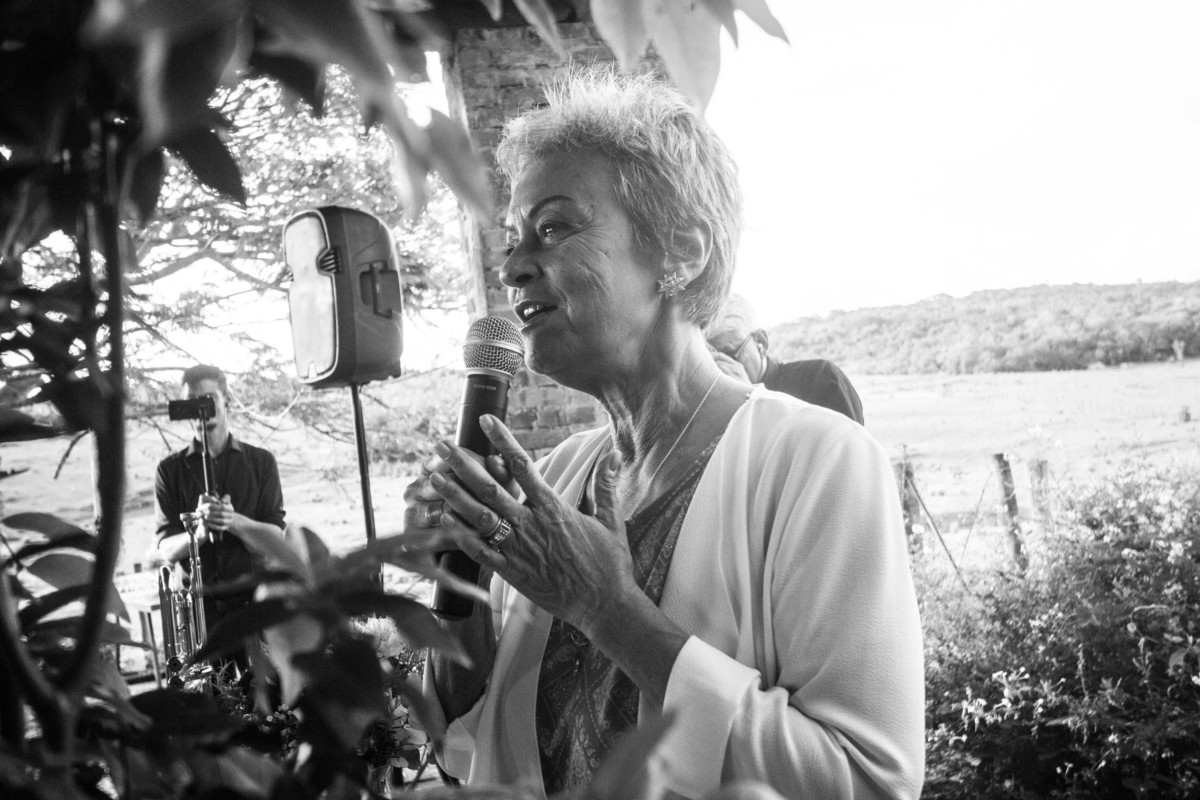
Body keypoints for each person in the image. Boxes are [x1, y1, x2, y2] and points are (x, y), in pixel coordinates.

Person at [403, 68, 924, 800]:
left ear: (681, 252)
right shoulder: (554, 477)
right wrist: (453, 574)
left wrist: (607, 610)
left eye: (553, 228)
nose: (513, 267)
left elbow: (863, 780)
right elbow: (460, 736)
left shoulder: (818, 462)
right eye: (514, 239)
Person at [155, 364, 286, 663]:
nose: (202, 409)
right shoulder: (169, 471)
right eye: (193, 401)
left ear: (226, 401)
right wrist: (198, 532)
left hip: (254, 610)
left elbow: (275, 539)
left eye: (209, 398)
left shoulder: (261, 462)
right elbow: (166, 548)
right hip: (198, 617)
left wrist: (233, 521)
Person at [707, 294, 865, 424]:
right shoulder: (711, 403)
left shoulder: (820, 379)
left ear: (761, 342)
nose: (720, 368)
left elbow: (849, 449)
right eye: (711, 359)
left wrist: (749, 400)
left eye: (730, 355)